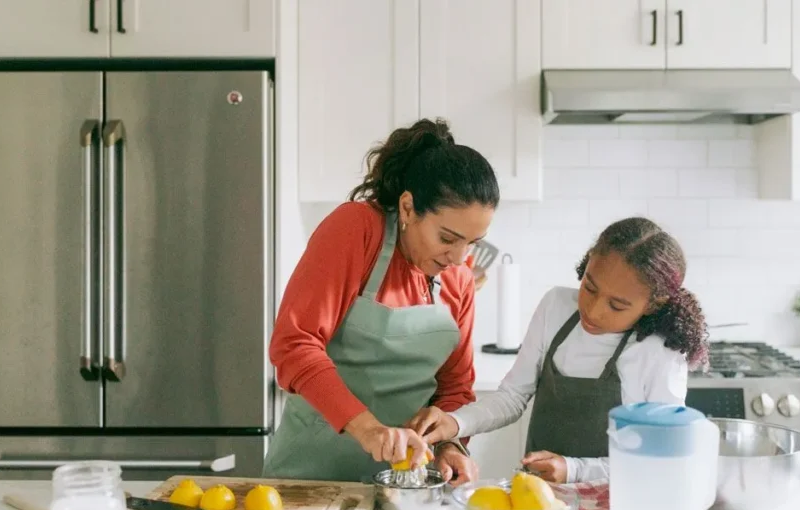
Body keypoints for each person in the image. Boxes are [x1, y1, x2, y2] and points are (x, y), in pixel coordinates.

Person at [262, 118, 499, 485]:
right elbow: (294, 344)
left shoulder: (459, 280)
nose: (459, 258)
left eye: (472, 242)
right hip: (311, 479)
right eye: (448, 238)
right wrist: (370, 430)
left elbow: (454, 388)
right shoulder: (358, 230)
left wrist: (451, 444)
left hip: (405, 485)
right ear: (407, 208)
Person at [408, 216, 709, 484]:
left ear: (653, 303)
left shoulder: (660, 353)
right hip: (538, 500)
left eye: (617, 305)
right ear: (587, 264)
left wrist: (575, 470)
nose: (593, 310)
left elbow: (657, 460)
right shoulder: (556, 307)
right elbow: (512, 397)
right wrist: (454, 423)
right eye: (589, 287)